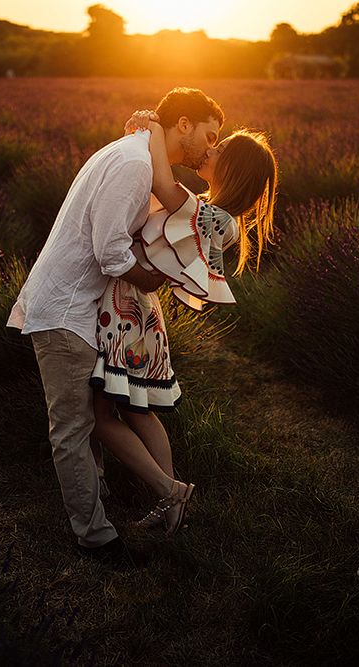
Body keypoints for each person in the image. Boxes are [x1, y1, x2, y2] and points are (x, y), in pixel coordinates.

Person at [6, 88, 224, 566]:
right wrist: (155, 278)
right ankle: (97, 539)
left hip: (84, 308)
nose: (209, 147)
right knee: (72, 428)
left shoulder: (142, 156)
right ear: (183, 123)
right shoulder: (135, 164)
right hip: (65, 309)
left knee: (88, 423)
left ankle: (103, 503)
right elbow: (109, 251)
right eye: (209, 134)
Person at [88, 109, 277, 535]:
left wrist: (153, 128)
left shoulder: (215, 219)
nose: (210, 148)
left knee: (100, 417)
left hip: (125, 313)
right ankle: (170, 505)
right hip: (138, 314)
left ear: (234, 169)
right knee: (137, 412)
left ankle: (169, 490)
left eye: (220, 148)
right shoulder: (213, 212)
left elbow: (160, 184)